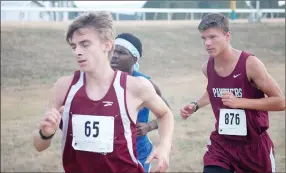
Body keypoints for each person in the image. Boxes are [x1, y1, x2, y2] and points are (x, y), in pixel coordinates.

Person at [32, 11, 174, 173]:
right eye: (74, 46)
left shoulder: (135, 86)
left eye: (85, 44)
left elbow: (165, 114)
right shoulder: (63, 88)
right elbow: (39, 146)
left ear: (107, 45)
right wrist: (45, 134)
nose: (77, 52)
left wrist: (164, 147)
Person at [180, 13, 285, 173]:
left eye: (213, 37)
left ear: (227, 35)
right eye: (203, 38)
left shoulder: (250, 64)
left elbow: (280, 102)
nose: (207, 43)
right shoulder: (207, 67)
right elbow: (213, 90)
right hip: (222, 145)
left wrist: (240, 102)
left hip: (254, 146)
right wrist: (195, 105)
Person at [110, 33, 170, 172]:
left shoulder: (145, 84)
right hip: (108, 152)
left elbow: (166, 113)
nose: (115, 55)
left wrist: (149, 126)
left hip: (139, 153)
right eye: (113, 50)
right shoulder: (101, 80)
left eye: (121, 52)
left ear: (134, 58)